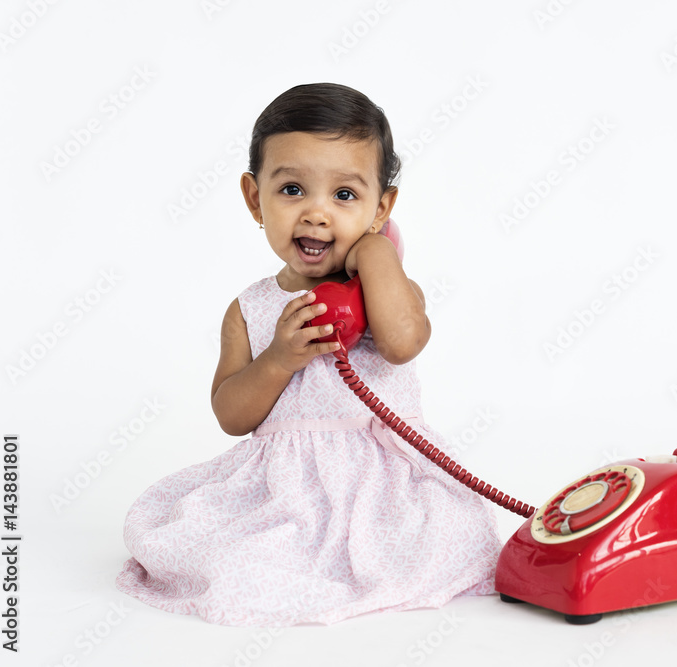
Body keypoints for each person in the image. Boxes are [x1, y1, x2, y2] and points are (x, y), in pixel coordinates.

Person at [115, 83, 503, 627]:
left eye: (345, 196)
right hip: (287, 491)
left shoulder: (385, 285)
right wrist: (277, 358)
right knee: (229, 557)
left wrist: (375, 254)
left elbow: (401, 345)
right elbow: (231, 416)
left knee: (456, 532)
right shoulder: (250, 308)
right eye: (293, 189)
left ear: (381, 206)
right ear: (255, 199)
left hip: (384, 486)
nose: (317, 215)